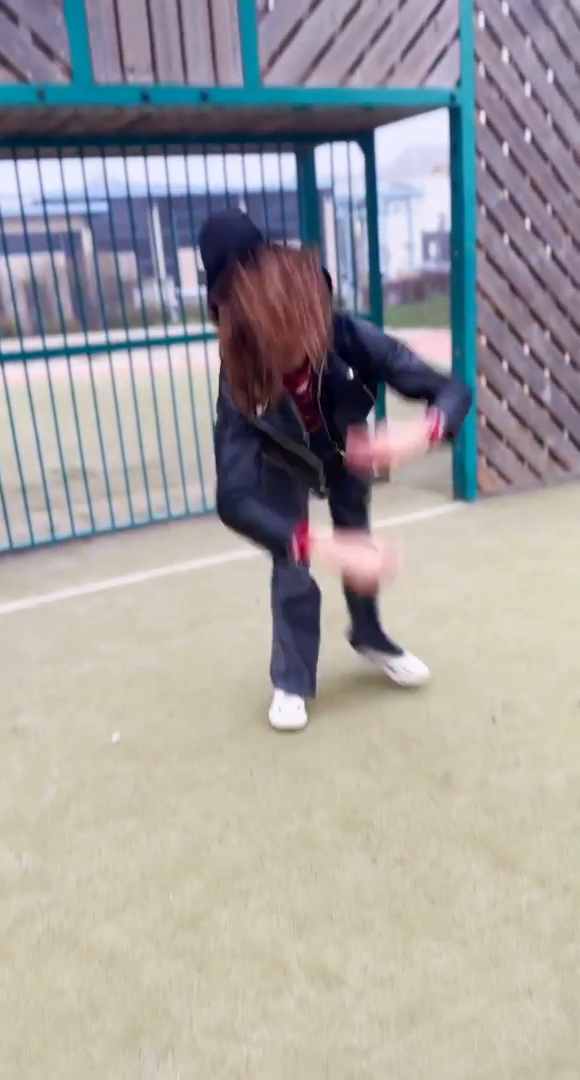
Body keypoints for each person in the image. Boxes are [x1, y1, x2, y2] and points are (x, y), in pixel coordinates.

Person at [199, 208, 471, 732]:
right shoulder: (240, 380)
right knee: (291, 555)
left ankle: (369, 634)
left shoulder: (345, 333)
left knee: (357, 537)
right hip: (283, 460)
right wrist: (316, 543)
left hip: (348, 449)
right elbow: (233, 497)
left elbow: (451, 390)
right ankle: (292, 678)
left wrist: (424, 432)